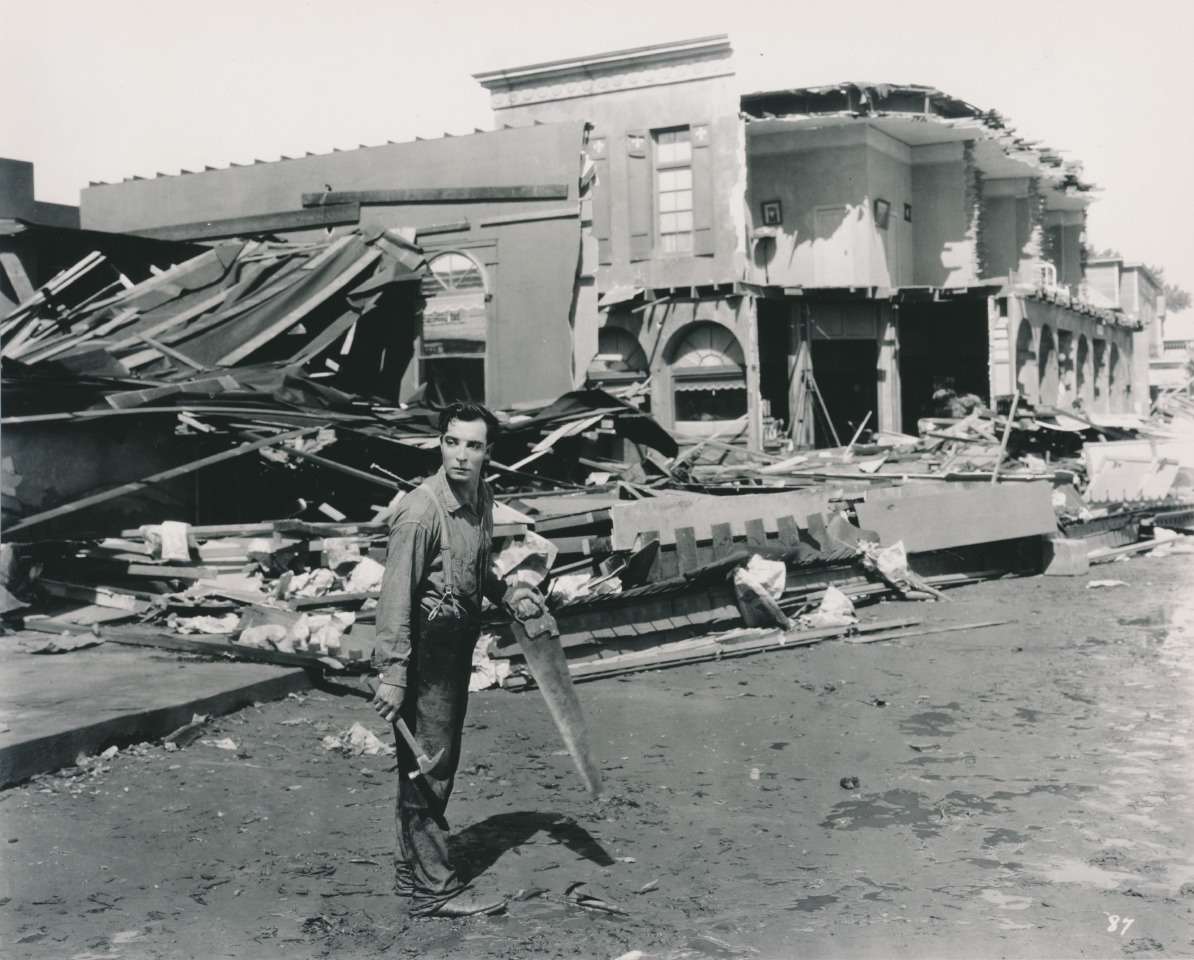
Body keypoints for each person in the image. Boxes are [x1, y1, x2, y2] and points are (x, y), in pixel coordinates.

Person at [370, 401, 540, 919]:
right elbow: (394, 597)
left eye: (473, 445)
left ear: (489, 453)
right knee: (430, 768)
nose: (461, 455)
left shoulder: (481, 497)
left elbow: (473, 564)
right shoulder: (421, 512)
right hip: (425, 647)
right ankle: (435, 890)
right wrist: (393, 675)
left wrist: (509, 592)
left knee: (433, 761)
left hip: (456, 642)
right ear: (438, 443)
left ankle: (414, 868)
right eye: (452, 442)